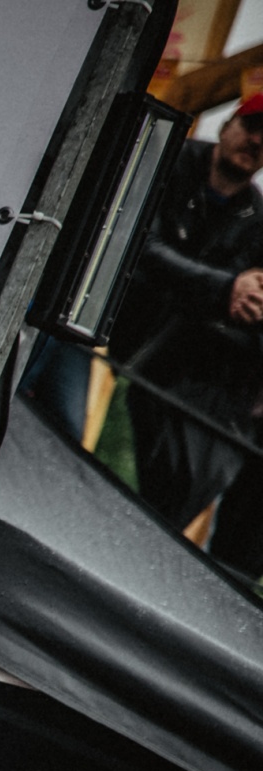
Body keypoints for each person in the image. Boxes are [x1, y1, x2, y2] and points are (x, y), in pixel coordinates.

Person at [111, 95, 263, 540]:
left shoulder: (257, 221)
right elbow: (135, 243)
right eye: (252, 127)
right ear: (227, 125)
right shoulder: (168, 162)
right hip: (104, 334)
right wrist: (223, 288)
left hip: (174, 372)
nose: (257, 142)